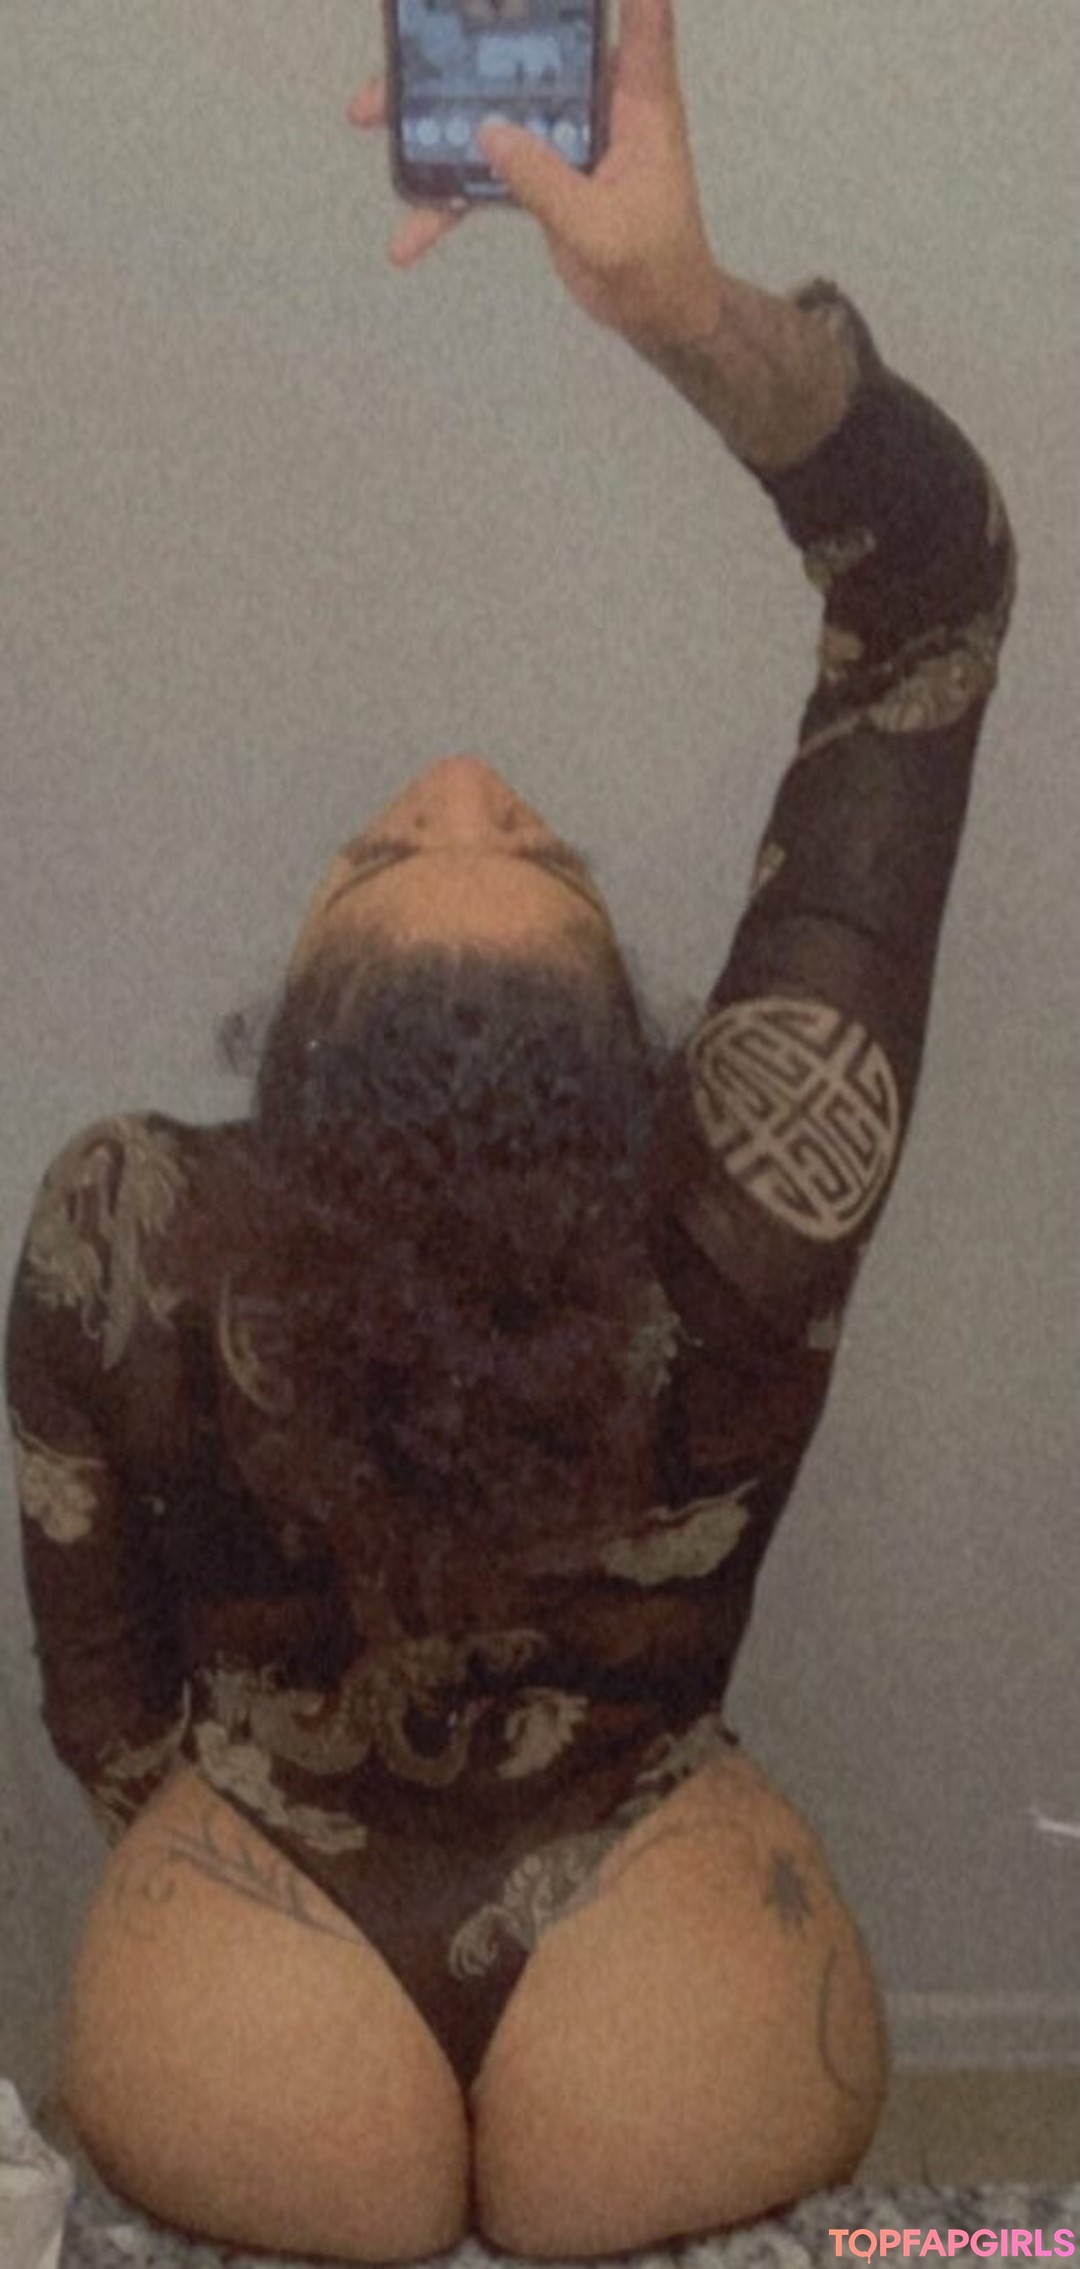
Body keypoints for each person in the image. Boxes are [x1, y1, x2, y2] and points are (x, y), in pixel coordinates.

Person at [4, 2, 1015, 2259]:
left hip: (250, 1942)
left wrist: (214, 1900)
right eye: (503, 842)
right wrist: (686, 312)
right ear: (637, 1047)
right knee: (978, 2251)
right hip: (675, 1935)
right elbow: (928, 598)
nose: (461, 780)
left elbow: (112, 1711)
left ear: (297, 1037)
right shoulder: (746, 1195)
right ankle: (1010, 2248)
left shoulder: (124, 1220)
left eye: (413, 842)